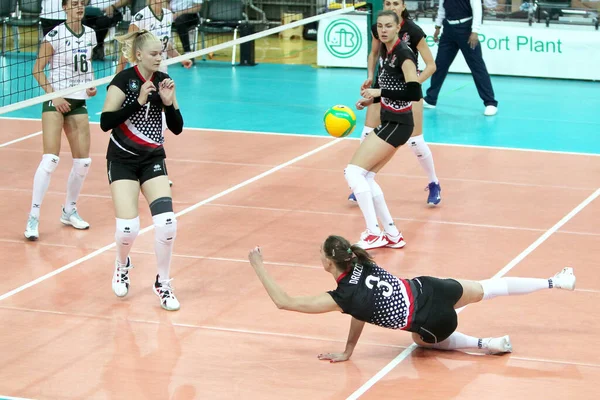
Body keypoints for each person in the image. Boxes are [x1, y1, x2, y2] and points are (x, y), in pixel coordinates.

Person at [247, 235, 576, 362]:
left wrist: (258, 265)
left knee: (421, 343)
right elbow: (360, 309)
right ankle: (555, 281)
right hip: (432, 288)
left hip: (434, 321)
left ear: (328, 263)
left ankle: (486, 343)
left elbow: (284, 301)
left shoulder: (343, 295)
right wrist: (349, 349)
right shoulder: (362, 263)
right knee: (488, 287)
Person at [100, 30, 184, 311]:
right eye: (154, 53)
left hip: (153, 160)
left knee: (167, 223)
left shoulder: (163, 81)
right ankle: (122, 264)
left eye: (161, 52)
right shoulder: (123, 81)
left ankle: (163, 282)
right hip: (122, 160)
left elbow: (176, 127)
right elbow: (105, 122)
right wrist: (137, 103)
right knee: (128, 228)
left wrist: (169, 102)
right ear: (139, 55)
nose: (160, 57)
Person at [349, 0, 441, 207]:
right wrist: (371, 77)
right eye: (388, 2)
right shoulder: (379, 27)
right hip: (382, 87)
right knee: (367, 132)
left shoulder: (413, 32)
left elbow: (431, 65)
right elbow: (373, 53)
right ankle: (362, 181)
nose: (391, 6)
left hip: (406, 88)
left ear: (403, 7)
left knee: (415, 141)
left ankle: (434, 182)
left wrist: (411, 85)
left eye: (396, 3)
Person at [346, 10, 423, 250]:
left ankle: (373, 232)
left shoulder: (404, 54)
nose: (383, 30)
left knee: (353, 172)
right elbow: (390, 84)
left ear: (398, 27)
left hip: (398, 123)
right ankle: (391, 233)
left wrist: (379, 93)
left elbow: (414, 92)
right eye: (380, 26)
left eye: (388, 25)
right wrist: (371, 100)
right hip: (390, 120)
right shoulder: (385, 51)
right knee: (367, 176)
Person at [25, 0, 98, 241]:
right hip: (55, 100)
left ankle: (69, 210)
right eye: (74, 4)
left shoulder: (90, 34)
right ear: (64, 8)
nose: (79, 7)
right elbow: (37, 70)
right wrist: (55, 97)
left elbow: (86, 66)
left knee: (83, 162)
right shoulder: (54, 35)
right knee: (51, 159)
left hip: (78, 102)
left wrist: (90, 83)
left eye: (81, 3)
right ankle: (33, 217)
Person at [116, 0, 192, 187]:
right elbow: (127, 48)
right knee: (141, 121)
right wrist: (118, 77)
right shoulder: (140, 17)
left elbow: (167, 44)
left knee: (162, 122)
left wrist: (181, 59)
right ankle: (136, 165)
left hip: (161, 76)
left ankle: (155, 167)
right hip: (141, 76)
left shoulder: (167, 15)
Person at [423, 0, 499, 116]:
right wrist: (438, 27)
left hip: (466, 29)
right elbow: (442, 9)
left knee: (477, 66)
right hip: (448, 30)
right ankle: (430, 99)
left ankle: (490, 103)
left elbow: (477, 10)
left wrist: (475, 31)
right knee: (440, 65)